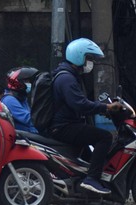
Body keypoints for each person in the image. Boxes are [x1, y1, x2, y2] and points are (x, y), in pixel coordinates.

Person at [47, 38, 122, 195]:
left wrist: (103, 109)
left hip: (66, 125)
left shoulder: (69, 75)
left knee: (89, 156)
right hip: (64, 127)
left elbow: (82, 103)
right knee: (105, 137)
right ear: (79, 56)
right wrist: (106, 107)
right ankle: (91, 180)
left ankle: (84, 183)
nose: (91, 62)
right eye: (89, 58)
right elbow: (80, 104)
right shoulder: (66, 78)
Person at [1, 66, 39, 133]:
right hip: (24, 136)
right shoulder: (9, 100)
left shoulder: (21, 98)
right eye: (26, 81)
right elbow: (28, 119)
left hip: (30, 134)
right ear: (17, 82)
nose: (29, 84)